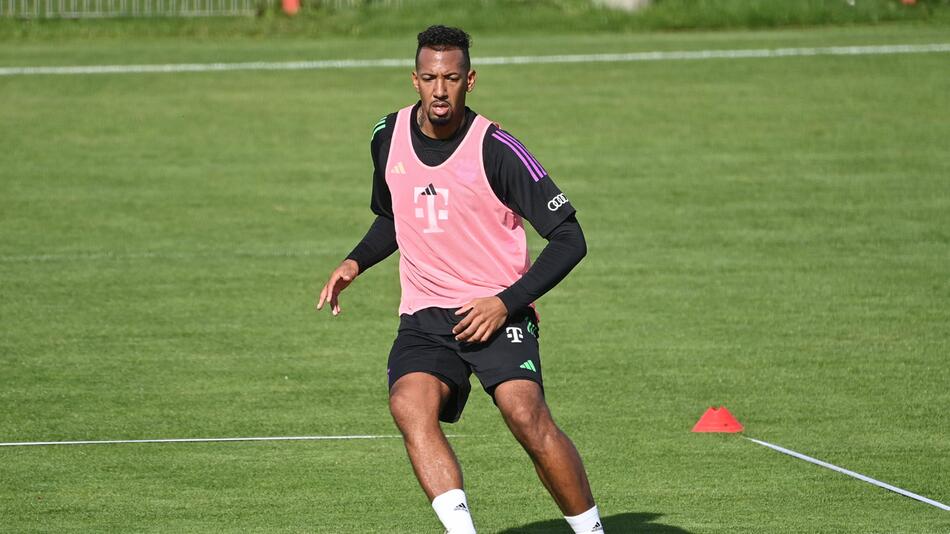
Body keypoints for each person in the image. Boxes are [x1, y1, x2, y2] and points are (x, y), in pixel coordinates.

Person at [317, 25, 603, 534]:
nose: (440, 90)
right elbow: (394, 215)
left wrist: (504, 301)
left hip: (497, 312)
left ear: (470, 80)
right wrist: (354, 262)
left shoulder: (498, 148)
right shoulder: (387, 135)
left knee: (525, 414)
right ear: (415, 79)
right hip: (426, 315)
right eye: (430, 78)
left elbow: (569, 238)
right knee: (409, 405)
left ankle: (590, 529)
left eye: (451, 78)